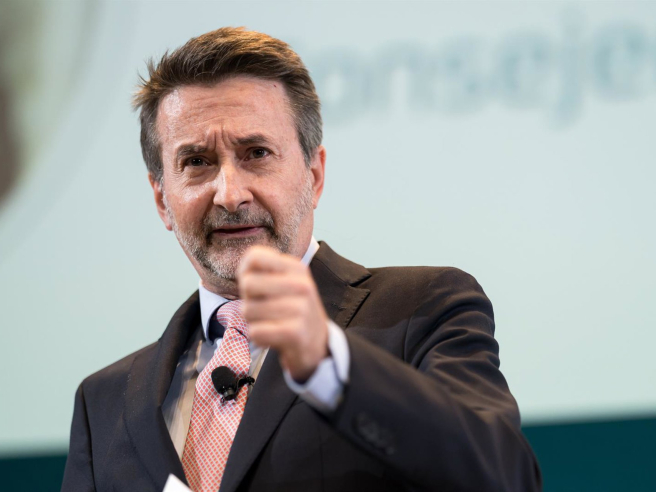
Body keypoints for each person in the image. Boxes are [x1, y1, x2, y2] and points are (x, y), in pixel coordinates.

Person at [61, 27, 542, 492]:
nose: (229, 194)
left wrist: (330, 365)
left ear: (314, 176)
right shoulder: (102, 402)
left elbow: (505, 477)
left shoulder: (423, 309)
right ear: (162, 200)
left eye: (256, 153)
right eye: (197, 162)